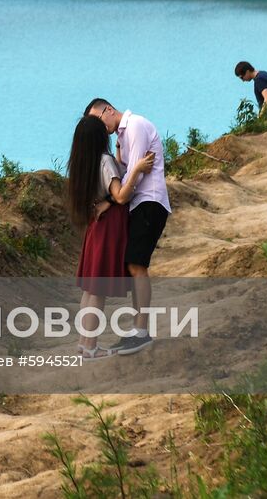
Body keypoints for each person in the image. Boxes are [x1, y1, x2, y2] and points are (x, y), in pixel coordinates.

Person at [84, 98, 170, 354]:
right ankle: (137, 330)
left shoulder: (134, 126)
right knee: (134, 265)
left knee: (137, 265)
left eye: (98, 120)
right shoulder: (124, 134)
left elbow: (136, 174)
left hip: (149, 201)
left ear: (108, 110)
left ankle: (141, 332)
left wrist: (111, 200)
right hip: (140, 203)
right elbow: (126, 172)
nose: (99, 128)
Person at [67, 114, 156, 360]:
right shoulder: (104, 160)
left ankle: (84, 344)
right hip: (109, 228)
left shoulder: (83, 163)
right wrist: (137, 167)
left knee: (89, 289)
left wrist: (119, 157)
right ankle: (92, 347)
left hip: (96, 228)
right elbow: (119, 195)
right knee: (98, 290)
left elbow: (106, 185)